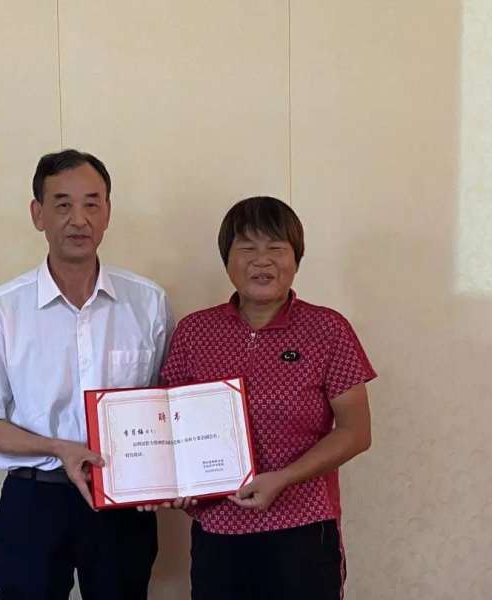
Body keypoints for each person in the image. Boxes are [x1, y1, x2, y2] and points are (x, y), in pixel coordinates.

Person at [0, 149, 173, 599]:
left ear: (108, 212)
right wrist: (58, 448)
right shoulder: (1, 311)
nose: (79, 220)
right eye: (63, 204)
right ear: (38, 214)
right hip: (34, 501)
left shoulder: (148, 302)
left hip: (121, 500)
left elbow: (167, 403)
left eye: (92, 203)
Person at [158, 196, 375, 599]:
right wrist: (173, 482)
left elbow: (356, 432)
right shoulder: (194, 332)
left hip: (304, 531)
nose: (262, 261)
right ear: (227, 259)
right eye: (247, 248)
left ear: (296, 258)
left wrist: (284, 478)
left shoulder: (328, 329)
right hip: (218, 532)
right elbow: (169, 425)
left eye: (276, 248)